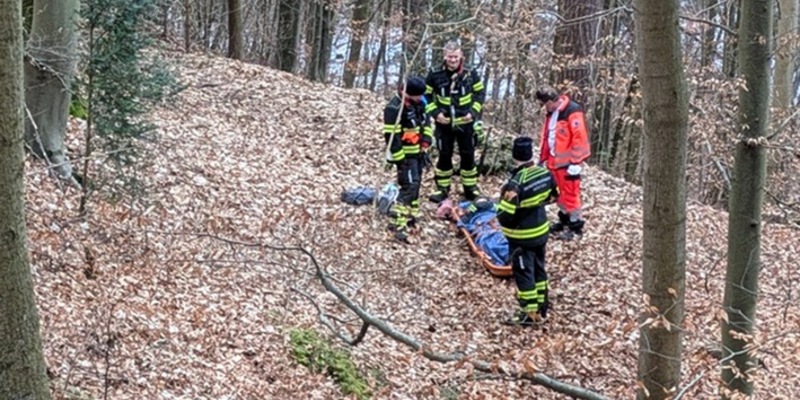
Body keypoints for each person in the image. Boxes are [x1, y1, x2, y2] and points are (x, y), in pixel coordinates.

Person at [497, 136, 558, 326]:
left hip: (521, 237)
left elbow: (505, 215)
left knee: (524, 273)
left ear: (514, 156)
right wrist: (534, 204)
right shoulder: (544, 173)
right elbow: (554, 196)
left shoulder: (515, 184)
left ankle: (528, 313)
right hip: (541, 231)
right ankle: (542, 304)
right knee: (539, 268)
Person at [424, 41, 486, 203]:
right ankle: (442, 188)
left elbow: (480, 93)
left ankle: (470, 188)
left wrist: (473, 113)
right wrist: (435, 114)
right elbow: (425, 96)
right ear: (445, 56)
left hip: (466, 123)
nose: (453, 60)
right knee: (444, 155)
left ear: (461, 56)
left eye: (456, 57)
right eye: (450, 57)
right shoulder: (434, 73)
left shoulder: (470, 73)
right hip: (444, 123)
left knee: (468, 155)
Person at [535, 86, 591, 240]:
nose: (545, 108)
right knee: (558, 194)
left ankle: (575, 226)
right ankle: (564, 220)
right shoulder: (552, 113)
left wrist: (575, 162)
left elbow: (579, 137)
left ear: (553, 101)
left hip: (568, 164)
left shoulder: (572, 111)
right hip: (554, 161)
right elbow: (548, 136)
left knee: (571, 195)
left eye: (546, 104)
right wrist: (543, 158)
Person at [383, 76, 433, 243]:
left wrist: (426, 140)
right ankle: (397, 224)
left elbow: (426, 123)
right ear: (408, 93)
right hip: (405, 156)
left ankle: (411, 217)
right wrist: (399, 159)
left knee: (416, 186)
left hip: (419, 153)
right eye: (417, 96)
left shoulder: (421, 102)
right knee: (408, 187)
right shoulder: (393, 108)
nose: (421, 98)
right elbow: (391, 136)